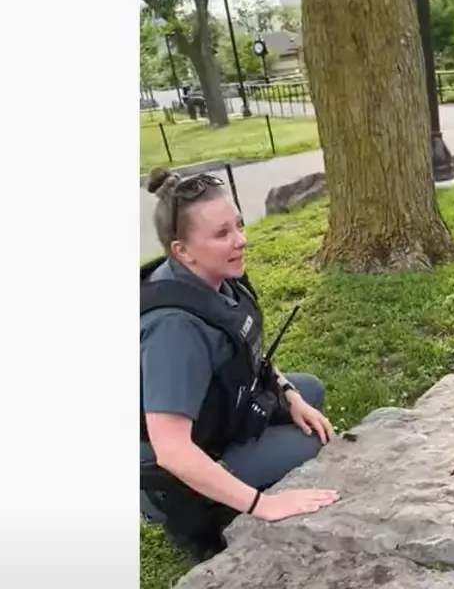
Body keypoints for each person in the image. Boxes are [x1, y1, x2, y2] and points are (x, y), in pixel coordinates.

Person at [140, 168, 340, 562]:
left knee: (310, 390)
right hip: (177, 467)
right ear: (182, 250)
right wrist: (264, 505)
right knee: (313, 442)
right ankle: (207, 511)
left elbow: (248, 350)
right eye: (222, 234)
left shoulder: (216, 277)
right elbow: (172, 451)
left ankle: (248, 459)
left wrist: (288, 395)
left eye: (239, 225)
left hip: (216, 416)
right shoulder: (174, 330)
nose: (241, 240)